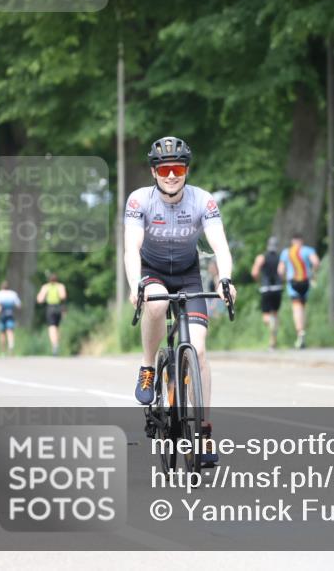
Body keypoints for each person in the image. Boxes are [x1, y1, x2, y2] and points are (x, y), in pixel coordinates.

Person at [124, 136, 237, 466]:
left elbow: (220, 246)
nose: (172, 175)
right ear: (154, 172)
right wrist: (135, 284)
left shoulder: (203, 200)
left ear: (186, 170)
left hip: (188, 275)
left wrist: (225, 279)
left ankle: (203, 432)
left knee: (198, 351)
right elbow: (131, 247)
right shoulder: (139, 200)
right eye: (164, 169)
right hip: (152, 272)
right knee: (157, 303)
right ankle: (148, 366)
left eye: (178, 168)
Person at [280, 234, 319, 349]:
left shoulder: (286, 252)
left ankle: (300, 333)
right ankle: (302, 332)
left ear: (292, 241)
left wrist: (284, 278)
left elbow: (280, 270)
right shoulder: (307, 250)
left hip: (293, 283)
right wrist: (313, 274)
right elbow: (316, 262)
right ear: (301, 241)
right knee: (303, 307)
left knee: (297, 309)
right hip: (305, 282)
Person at [252, 236, 286, 350]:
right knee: (275, 314)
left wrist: (259, 281)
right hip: (277, 288)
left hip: (266, 288)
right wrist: (282, 281)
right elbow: (281, 272)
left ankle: (271, 332)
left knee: (266, 315)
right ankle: (273, 341)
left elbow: (254, 272)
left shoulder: (262, 257)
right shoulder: (281, 258)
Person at [36, 273, 67, 355]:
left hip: (50, 308)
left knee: (51, 327)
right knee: (57, 327)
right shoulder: (60, 286)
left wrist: (44, 297)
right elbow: (63, 296)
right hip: (59, 307)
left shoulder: (46, 287)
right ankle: (57, 343)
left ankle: (54, 345)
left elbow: (39, 299)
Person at [0, 282, 21, 355]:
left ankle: (3, 351)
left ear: (1, 287)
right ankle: (11, 348)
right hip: (10, 314)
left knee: (2, 333)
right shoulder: (13, 294)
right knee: (10, 332)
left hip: (2, 315)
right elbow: (18, 305)